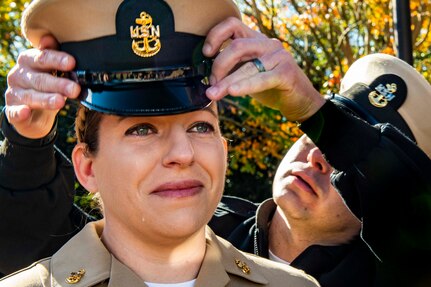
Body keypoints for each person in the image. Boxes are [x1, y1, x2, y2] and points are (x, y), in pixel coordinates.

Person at [2, 4, 431, 287]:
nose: (319, 155)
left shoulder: (394, 273)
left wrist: (315, 110)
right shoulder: (202, 224)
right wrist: (27, 141)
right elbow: (33, 240)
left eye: (345, 155)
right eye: (311, 134)